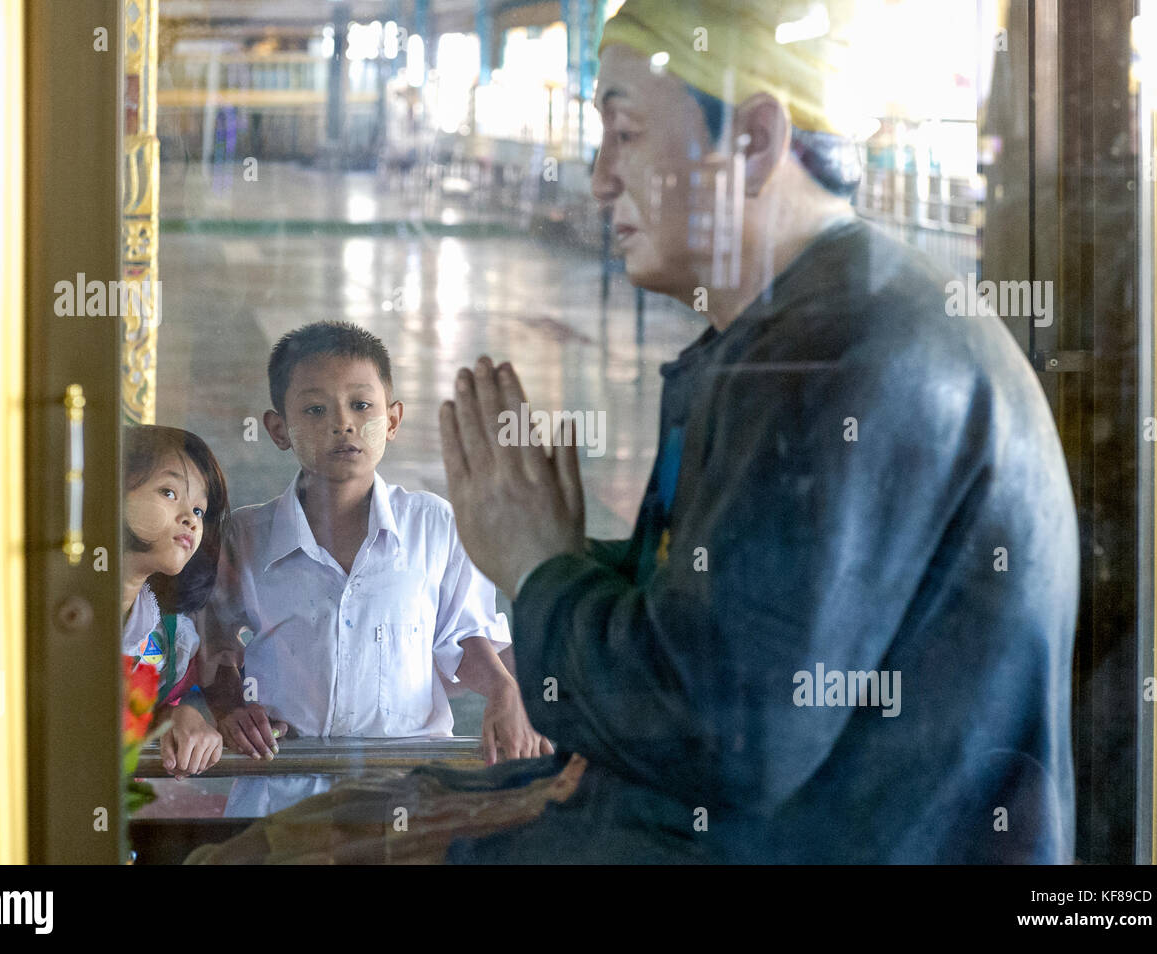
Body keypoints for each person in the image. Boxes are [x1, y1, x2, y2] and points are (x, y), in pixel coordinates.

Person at [438, 0, 1079, 863]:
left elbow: (729, 729)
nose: (597, 177)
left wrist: (539, 570)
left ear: (753, 142)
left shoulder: (842, 357)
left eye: (623, 132)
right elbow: (727, 626)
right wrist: (562, 559)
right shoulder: (808, 330)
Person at [198, 321, 552, 817]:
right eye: (315, 410)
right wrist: (230, 708)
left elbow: (467, 638)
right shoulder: (244, 536)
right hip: (280, 791)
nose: (342, 423)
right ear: (279, 429)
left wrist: (504, 690)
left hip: (405, 792)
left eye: (361, 405)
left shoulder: (434, 525)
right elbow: (215, 646)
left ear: (392, 419)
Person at [122, 424, 228, 781]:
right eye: (169, 492)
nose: (191, 520)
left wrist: (178, 716)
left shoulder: (169, 638)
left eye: (199, 510)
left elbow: (162, 706)